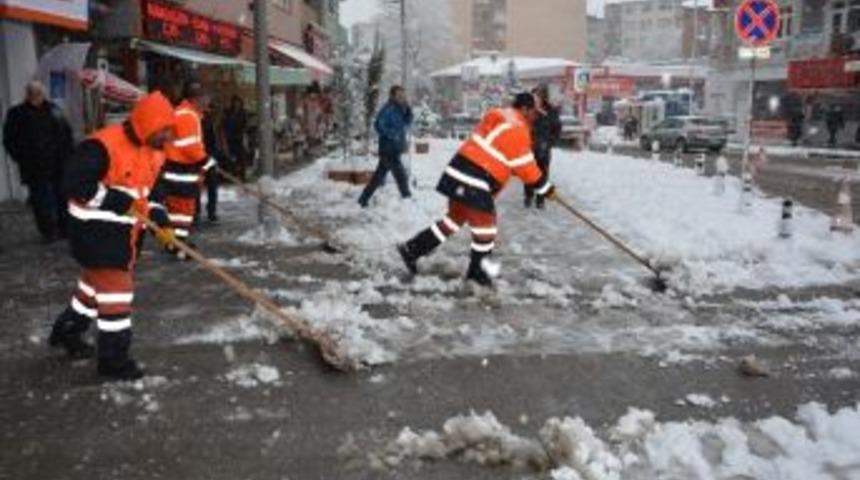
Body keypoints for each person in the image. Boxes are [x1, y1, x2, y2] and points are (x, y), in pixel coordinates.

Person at [48, 91, 176, 381]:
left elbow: (149, 193)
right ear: (148, 122)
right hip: (95, 232)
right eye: (164, 130)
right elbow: (73, 183)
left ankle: (67, 330)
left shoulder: (155, 150)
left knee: (93, 289)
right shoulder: (102, 145)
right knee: (117, 294)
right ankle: (114, 361)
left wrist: (162, 222)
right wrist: (114, 200)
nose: (168, 137)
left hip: (126, 234)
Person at [397, 93, 555, 288]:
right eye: (534, 112)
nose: (536, 117)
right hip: (474, 178)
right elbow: (525, 166)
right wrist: (545, 188)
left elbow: (503, 156)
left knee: (452, 221)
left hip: (459, 171)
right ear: (524, 109)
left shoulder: (502, 117)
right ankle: (477, 275)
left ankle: (412, 249)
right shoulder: (517, 127)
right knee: (486, 230)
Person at [2, 81, 73, 243]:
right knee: (42, 201)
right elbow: (9, 140)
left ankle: (64, 229)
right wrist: (21, 158)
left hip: (58, 164)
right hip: (34, 167)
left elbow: (66, 133)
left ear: (43, 93)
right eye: (33, 92)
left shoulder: (54, 110)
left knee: (61, 198)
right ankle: (49, 232)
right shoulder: (17, 113)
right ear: (27, 94)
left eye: (39, 92)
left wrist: (68, 156)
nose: (36, 95)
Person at [162, 81, 215, 253]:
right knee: (183, 209)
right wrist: (206, 162)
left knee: (179, 210)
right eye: (206, 97)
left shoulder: (185, 113)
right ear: (196, 98)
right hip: (181, 170)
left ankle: (176, 242)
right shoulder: (188, 115)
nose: (209, 100)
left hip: (178, 169)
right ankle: (177, 244)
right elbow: (190, 146)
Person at [358, 85, 414, 208]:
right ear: (392, 96)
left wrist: (409, 111)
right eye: (399, 95)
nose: (402, 97)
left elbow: (406, 123)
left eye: (403, 95)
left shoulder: (400, 109)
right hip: (388, 147)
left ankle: (363, 199)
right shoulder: (388, 109)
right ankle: (407, 198)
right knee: (400, 175)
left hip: (395, 147)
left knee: (379, 176)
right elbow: (378, 125)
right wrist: (392, 135)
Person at [524, 85, 561, 209]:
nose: (537, 97)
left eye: (540, 95)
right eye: (535, 95)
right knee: (528, 173)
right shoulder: (527, 110)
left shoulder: (550, 110)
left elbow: (557, 129)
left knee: (543, 175)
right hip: (528, 148)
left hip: (544, 149)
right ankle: (528, 196)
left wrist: (550, 143)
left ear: (545, 96)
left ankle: (540, 200)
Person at [222, 96, 249, 181]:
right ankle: (232, 175)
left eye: (238, 103)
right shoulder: (228, 112)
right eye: (235, 103)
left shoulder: (243, 113)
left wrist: (244, 134)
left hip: (239, 137)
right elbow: (224, 124)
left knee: (241, 157)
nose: (236, 104)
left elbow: (245, 125)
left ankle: (242, 175)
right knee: (231, 157)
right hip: (230, 137)